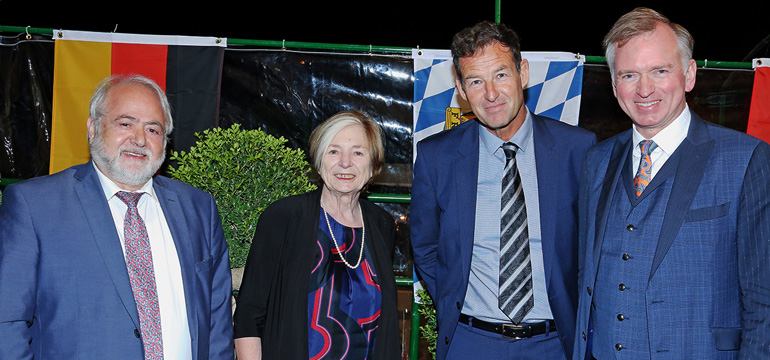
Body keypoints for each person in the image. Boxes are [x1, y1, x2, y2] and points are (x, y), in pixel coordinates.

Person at [573, 7, 770, 359]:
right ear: (615, 85)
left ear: (689, 74)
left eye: (660, 71)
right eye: (629, 75)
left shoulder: (746, 159)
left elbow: (764, 298)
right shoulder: (596, 161)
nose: (644, 89)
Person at [0, 74, 234, 359]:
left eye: (153, 129)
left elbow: (217, 322)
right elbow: (7, 322)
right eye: (125, 124)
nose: (138, 140)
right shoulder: (34, 206)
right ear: (93, 128)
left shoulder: (198, 208)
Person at [411, 21, 596, 360]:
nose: (491, 94)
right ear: (461, 89)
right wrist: (454, 301)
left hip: (555, 344)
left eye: (500, 75)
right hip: (470, 343)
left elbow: (594, 247)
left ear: (522, 73)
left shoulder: (578, 150)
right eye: (476, 81)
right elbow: (424, 246)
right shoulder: (437, 156)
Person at [232, 110, 400, 359]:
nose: (345, 163)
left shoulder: (381, 224)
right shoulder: (284, 217)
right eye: (333, 151)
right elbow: (249, 313)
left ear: (374, 166)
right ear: (319, 161)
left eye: (358, 152)